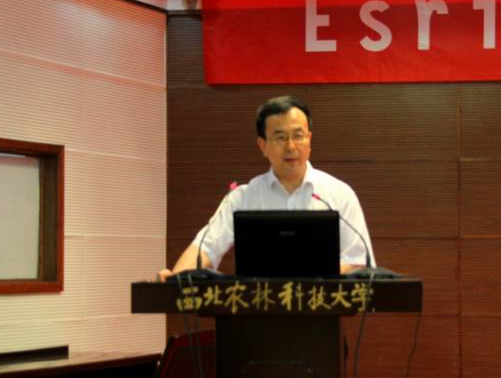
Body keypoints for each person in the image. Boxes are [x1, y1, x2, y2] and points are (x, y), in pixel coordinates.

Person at [156, 95, 375, 281]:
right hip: (256, 312)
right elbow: (206, 247)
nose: (291, 146)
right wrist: (175, 278)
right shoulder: (242, 198)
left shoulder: (338, 194)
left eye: (298, 136)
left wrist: (308, 279)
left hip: (322, 311)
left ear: (309, 140)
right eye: (280, 137)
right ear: (263, 146)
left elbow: (358, 260)